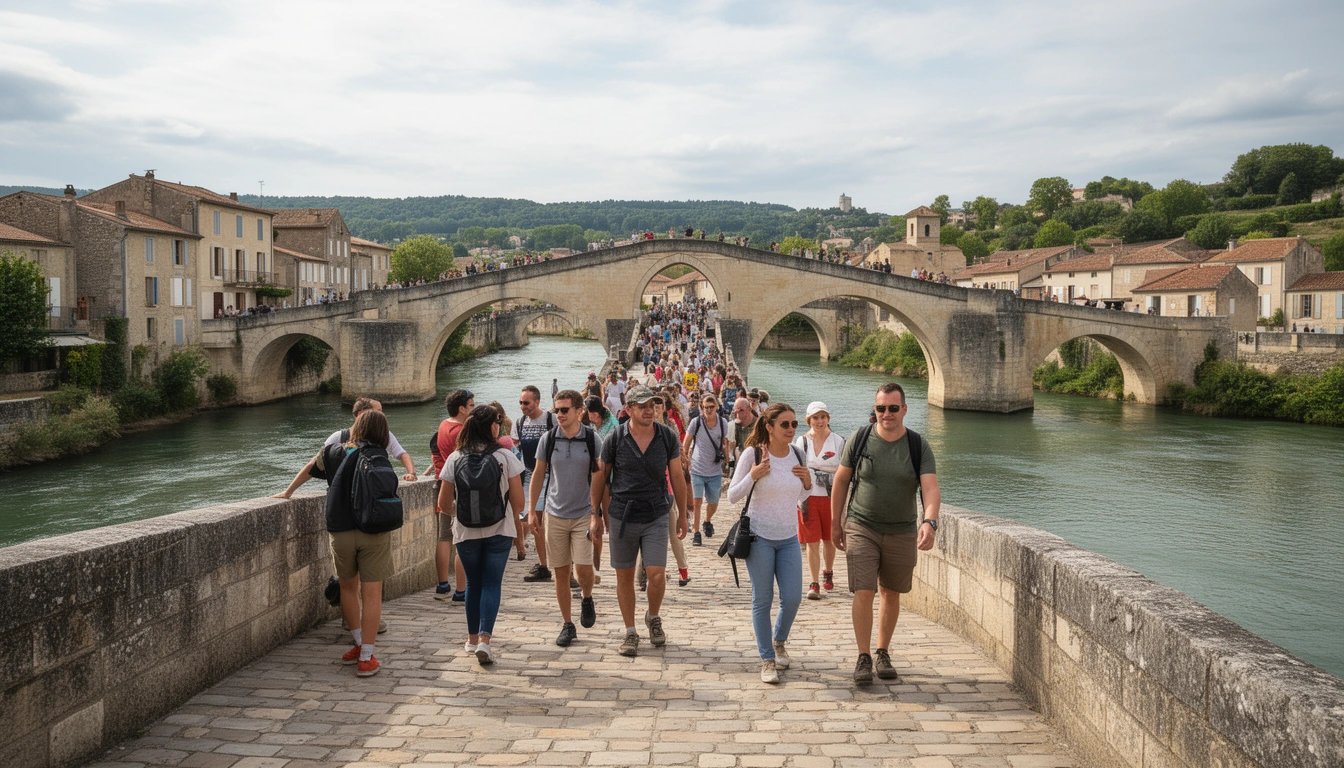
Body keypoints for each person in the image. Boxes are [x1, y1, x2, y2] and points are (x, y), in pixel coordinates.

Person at [830, 383, 941, 685]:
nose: (886, 413)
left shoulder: (917, 446)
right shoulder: (860, 438)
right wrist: (835, 522)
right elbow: (841, 481)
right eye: (881, 408)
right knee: (864, 590)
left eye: (893, 408)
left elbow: (930, 488)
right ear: (875, 409)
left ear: (904, 409)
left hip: (902, 529)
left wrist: (929, 522)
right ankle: (863, 656)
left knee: (891, 592)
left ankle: (882, 651)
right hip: (861, 524)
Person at [589, 384, 690, 657]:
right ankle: (630, 631)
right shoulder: (615, 437)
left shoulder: (667, 436)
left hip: (656, 512)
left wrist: (683, 514)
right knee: (624, 577)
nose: (649, 410)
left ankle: (653, 616)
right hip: (622, 515)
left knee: (656, 574)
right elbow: (601, 475)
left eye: (652, 405)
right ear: (628, 409)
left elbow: (677, 476)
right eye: (642, 406)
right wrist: (595, 515)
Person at [437, 405, 526, 665]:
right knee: (491, 583)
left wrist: (463, 512)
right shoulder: (505, 456)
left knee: (473, 584)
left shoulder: (455, 458)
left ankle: (471, 639)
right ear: (492, 427)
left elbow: (443, 504)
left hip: (466, 531)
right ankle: (485, 641)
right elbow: (519, 504)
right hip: (500, 530)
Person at [728, 406, 810, 683]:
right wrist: (753, 475)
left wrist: (808, 483)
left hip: (788, 538)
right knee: (762, 599)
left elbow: (801, 496)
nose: (791, 429)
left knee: (793, 598)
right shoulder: (752, 454)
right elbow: (732, 496)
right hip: (759, 537)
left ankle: (779, 640)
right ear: (769, 427)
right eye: (785, 424)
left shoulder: (798, 454)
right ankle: (767, 659)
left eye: (794, 424)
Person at [323, 409, 399, 677]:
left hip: (341, 531)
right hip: (373, 531)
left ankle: (357, 644)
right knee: (372, 594)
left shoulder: (334, 452)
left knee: (347, 588)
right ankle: (366, 657)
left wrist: (287, 493)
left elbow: (311, 470)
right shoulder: (381, 456)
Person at [529, 390, 601, 647]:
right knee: (560, 572)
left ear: (579, 411)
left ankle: (587, 597)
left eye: (564, 410)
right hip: (555, 513)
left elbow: (599, 476)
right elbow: (538, 474)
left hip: (582, 513)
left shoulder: (592, 439)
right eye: (556, 410)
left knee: (583, 569)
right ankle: (568, 624)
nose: (559, 414)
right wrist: (532, 510)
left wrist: (597, 513)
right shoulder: (548, 439)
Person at [794, 402, 843, 599]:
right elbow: (796, 469)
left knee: (829, 539)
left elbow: (844, 471)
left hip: (831, 498)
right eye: (815, 418)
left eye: (823, 417)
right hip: (808, 496)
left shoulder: (838, 441)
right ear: (809, 420)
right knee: (812, 541)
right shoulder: (802, 442)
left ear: (828, 419)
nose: (819, 421)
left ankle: (828, 571)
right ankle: (814, 583)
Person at [431, 390, 474, 603]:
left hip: (443, 484)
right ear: (462, 408)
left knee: (444, 536)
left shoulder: (442, 426)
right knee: (462, 539)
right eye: (471, 405)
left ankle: (442, 584)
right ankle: (461, 590)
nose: (473, 409)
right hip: (461, 487)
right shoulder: (461, 431)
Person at [513, 386, 556, 582]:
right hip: (532, 475)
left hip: (553, 475)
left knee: (556, 521)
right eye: (521, 403)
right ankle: (544, 565)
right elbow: (516, 451)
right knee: (536, 521)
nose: (523, 406)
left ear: (537, 402)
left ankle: (565, 566)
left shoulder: (551, 420)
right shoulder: (519, 423)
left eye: (526, 403)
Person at [683, 394, 728, 547]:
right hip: (697, 468)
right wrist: (685, 462)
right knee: (697, 501)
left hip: (714, 469)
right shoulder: (696, 422)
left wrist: (728, 461)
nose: (708, 410)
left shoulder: (722, 423)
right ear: (701, 408)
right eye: (705, 407)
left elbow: (724, 442)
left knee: (714, 502)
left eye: (711, 407)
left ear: (717, 407)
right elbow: (686, 443)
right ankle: (696, 533)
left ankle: (707, 521)